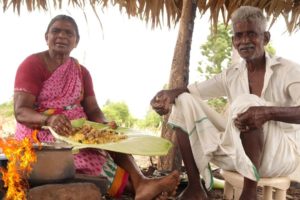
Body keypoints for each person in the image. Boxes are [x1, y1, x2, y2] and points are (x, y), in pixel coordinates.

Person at [13, 14, 179, 200]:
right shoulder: (33, 64)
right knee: (91, 161)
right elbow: (21, 111)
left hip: (76, 132)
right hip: (40, 133)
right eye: (56, 31)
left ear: (76, 41)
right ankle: (143, 189)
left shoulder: (81, 72)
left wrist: (105, 125)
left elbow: (92, 110)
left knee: (116, 140)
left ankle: (142, 183)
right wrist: (49, 120)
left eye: (69, 33)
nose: (62, 36)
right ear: (46, 37)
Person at [151, 6, 300, 200]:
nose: (244, 41)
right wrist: (168, 94)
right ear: (233, 41)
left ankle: (248, 192)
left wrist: (267, 112)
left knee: (247, 103)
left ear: (265, 38)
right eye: (239, 36)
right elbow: (191, 90)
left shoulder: (288, 70)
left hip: (280, 156)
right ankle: (196, 188)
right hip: (236, 154)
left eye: (252, 34)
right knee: (183, 101)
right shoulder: (232, 74)